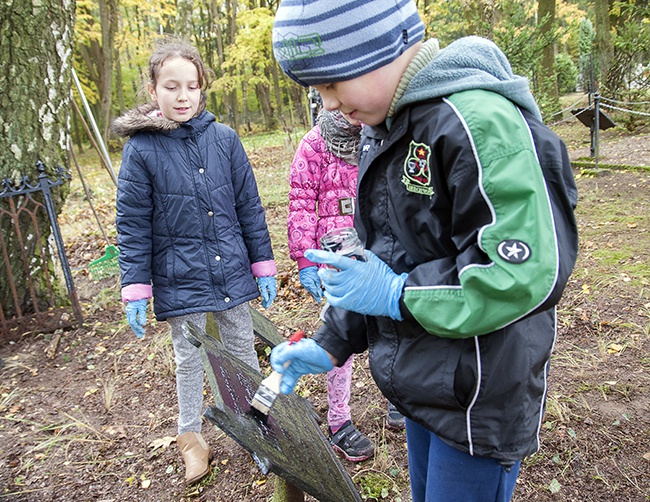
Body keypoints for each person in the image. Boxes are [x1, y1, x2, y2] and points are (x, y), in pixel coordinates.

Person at [270, 2, 579, 501]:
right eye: (317, 91)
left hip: (477, 398)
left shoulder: (476, 123)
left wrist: (398, 294)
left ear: (379, 48)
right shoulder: (389, 128)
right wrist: (332, 340)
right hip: (422, 384)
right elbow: (384, 255)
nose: (327, 105)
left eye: (332, 84)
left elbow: (522, 271)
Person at [113, 39, 277, 485]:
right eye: (171, 86)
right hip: (178, 277)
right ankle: (191, 439)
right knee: (188, 358)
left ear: (201, 88)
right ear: (153, 90)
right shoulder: (142, 150)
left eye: (191, 86)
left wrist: (262, 263)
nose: (182, 96)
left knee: (242, 348)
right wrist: (136, 286)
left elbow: (249, 205)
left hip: (230, 270)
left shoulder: (224, 140)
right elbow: (132, 224)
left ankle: (253, 428)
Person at [288, 108, 403, 462]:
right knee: (338, 338)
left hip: (377, 251)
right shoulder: (314, 144)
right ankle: (339, 422)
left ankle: (397, 397)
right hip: (334, 256)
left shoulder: (383, 137)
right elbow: (301, 202)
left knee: (390, 325)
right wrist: (305, 260)